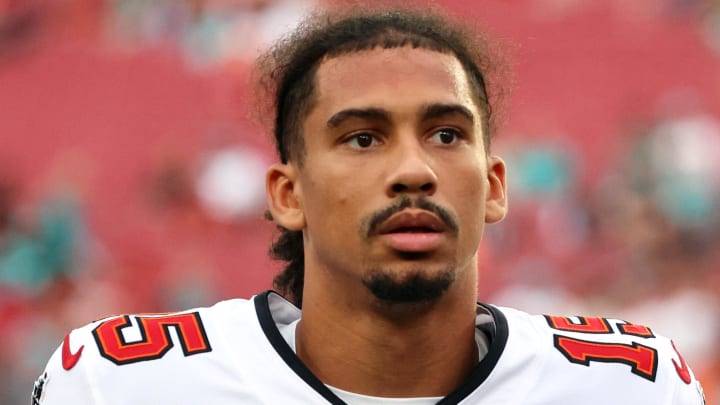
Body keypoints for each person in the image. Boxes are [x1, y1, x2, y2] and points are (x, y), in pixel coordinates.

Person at [33, 5, 706, 405]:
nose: (413, 170)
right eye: (362, 138)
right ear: (287, 195)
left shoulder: (630, 387)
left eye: (447, 134)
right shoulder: (122, 385)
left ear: (496, 185)